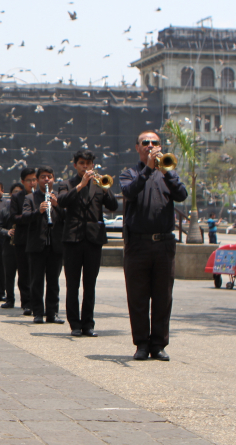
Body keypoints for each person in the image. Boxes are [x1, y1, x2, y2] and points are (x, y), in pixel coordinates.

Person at [120, 130, 188, 361]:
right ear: (137, 148)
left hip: (164, 244)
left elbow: (182, 194)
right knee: (137, 296)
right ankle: (141, 343)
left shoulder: (168, 172)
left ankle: (158, 344)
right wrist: (148, 169)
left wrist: (166, 172)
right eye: (145, 142)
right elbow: (129, 192)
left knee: (163, 296)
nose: (150, 145)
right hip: (137, 244)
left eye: (155, 142)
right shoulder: (129, 173)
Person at [57, 150, 118, 337]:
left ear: (93, 165)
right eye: (82, 163)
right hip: (73, 239)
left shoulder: (99, 185)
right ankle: (74, 324)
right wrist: (80, 186)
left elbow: (114, 206)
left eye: (89, 163)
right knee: (72, 284)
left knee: (90, 284)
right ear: (75, 165)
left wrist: (106, 189)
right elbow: (61, 202)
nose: (85, 166)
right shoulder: (66, 184)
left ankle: (88, 324)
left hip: (93, 239)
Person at [23, 165, 65, 324]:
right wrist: (38, 211)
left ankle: (52, 313)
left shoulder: (59, 197)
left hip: (55, 244)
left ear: (53, 179)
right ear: (38, 180)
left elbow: (66, 217)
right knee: (36, 281)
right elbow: (25, 218)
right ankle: (38, 313)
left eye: (49, 177)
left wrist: (57, 206)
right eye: (43, 177)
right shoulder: (30, 198)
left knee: (54, 281)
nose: (46, 179)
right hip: (36, 245)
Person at [10, 168, 37, 316]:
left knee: (37, 273)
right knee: (24, 272)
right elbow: (13, 217)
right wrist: (31, 216)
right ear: (22, 181)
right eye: (29, 180)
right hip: (22, 239)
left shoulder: (41, 195)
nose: (32, 183)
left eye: (34, 180)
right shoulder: (17, 197)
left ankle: (37, 301)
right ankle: (26, 303)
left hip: (38, 238)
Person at [0, 183, 24, 309]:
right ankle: (9, 299)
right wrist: (7, 232)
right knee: (9, 275)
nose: (17, 194)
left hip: (23, 245)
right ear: (10, 194)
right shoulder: (4, 210)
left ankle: (26, 301)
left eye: (20, 192)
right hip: (9, 246)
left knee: (24, 276)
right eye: (15, 191)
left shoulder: (26, 208)